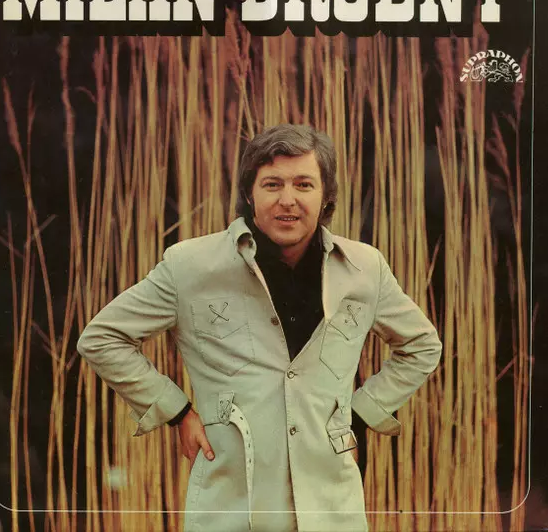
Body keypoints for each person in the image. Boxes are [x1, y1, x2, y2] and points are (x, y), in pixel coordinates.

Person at [77, 124, 442, 532]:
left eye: (304, 184)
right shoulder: (190, 266)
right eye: (272, 184)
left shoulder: (364, 267)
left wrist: (358, 417)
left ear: (326, 195)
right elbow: (102, 338)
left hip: (332, 510)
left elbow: (422, 345)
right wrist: (176, 412)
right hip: (231, 510)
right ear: (250, 194)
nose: (288, 199)